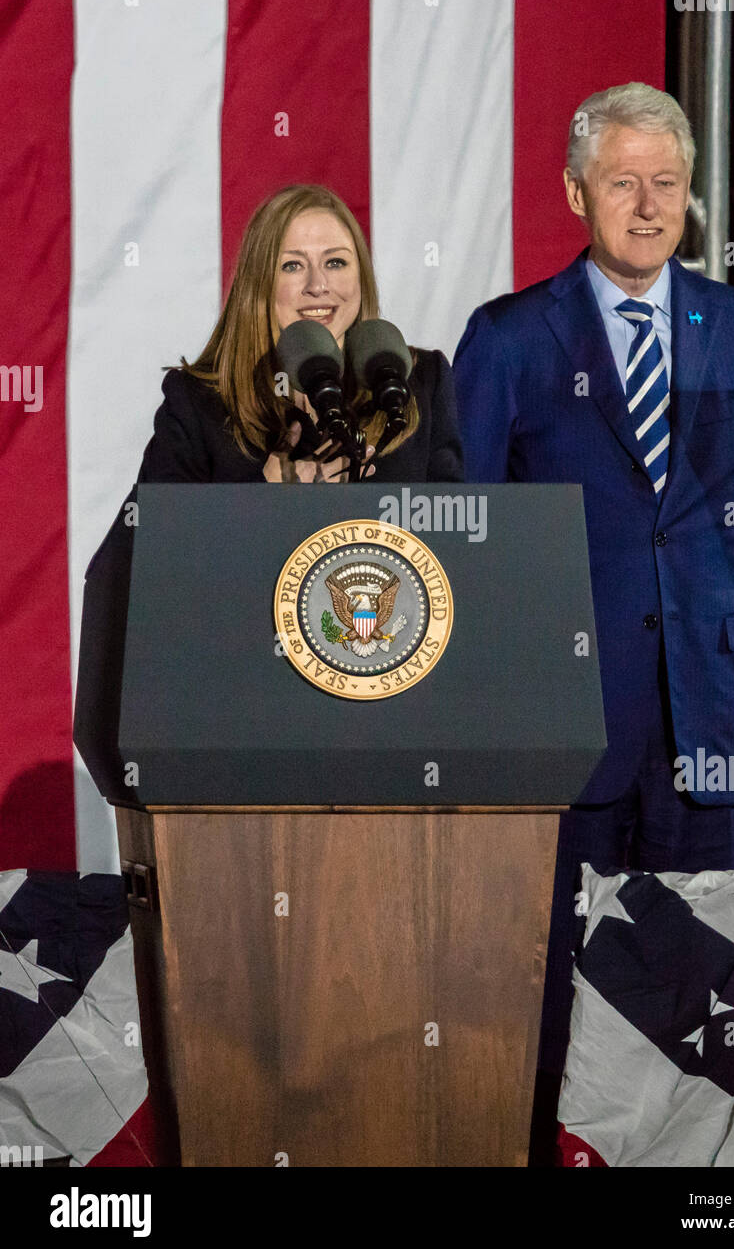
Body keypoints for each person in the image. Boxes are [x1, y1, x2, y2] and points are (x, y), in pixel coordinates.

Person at [451, 82, 734, 1115]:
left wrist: (703, 618)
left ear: (688, 194)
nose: (646, 205)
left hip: (714, 716)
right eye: (621, 183)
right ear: (574, 193)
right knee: (564, 988)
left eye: (666, 184)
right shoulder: (509, 339)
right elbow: (469, 535)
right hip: (564, 724)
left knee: (707, 985)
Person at [74, 184, 463, 797]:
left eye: (336, 262)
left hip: (397, 724)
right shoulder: (200, 403)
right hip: (237, 724)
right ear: (261, 283)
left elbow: (464, 545)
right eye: (293, 265)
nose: (318, 286)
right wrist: (263, 500)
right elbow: (148, 557)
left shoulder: (417, 386)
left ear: (360, 279)